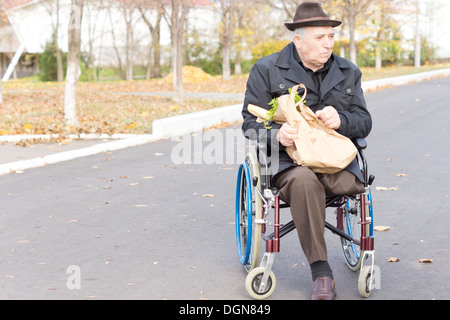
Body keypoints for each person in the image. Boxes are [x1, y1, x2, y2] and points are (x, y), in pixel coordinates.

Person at [241, 2, 372, 300]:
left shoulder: (348, 71)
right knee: (304, 183)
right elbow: (249, 124)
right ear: (298, 40)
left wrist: (344, 120)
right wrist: (276, 135)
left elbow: (365, 122)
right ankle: (321, 272)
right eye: (320, 37)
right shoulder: (267, 70)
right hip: (290, 164)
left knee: (349, 184)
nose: (328, 43)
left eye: (330, 37)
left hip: (335, 162)